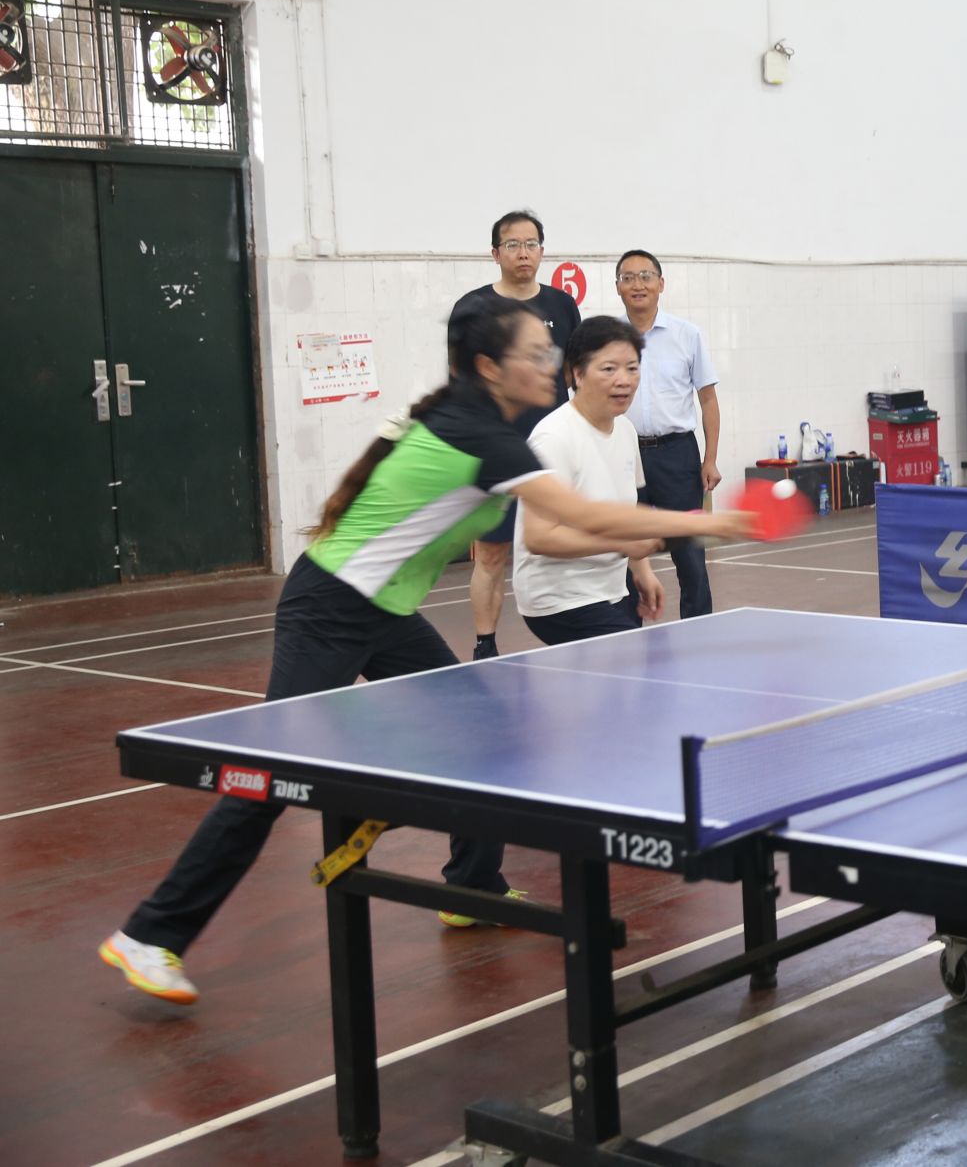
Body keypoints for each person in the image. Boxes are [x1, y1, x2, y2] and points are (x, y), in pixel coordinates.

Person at [98, 297, 755, 1004]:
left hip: (382, 610)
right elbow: (579, 515)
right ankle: (151, 933)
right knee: (266, 775)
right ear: (488, 366)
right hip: (330, 608)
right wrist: (708, 523)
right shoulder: (482, 433)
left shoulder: (477, 422)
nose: (547, 362)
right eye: (533, 353)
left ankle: (472, 886)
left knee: (486, 727)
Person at [450, 210, 581, 659]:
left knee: (563, 545)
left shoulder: (562, 306)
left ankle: (573, 634)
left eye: (531, 244)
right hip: (496, 454)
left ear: (542, 251)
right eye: (512, 245)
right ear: (495, 253)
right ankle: (485, 644)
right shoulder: (472, 308)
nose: (523, 253)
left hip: (553, 454)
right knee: (491, 554)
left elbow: (572, 377)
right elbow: (460, 384)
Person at [514, 316, 667, 644]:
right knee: (632, 664)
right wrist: (620, 545)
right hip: (558, 599)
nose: (624, 380)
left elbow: (625, 515)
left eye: (632, 368)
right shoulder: (553, 438)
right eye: (608, 369)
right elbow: (540, 538)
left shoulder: (625, 429)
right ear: (577, 374)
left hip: (611, 588)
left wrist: (642, 570)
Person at [617, 249, 722, 619]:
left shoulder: (687, 335)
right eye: (628, 277)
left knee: (689, 552)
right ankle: (625, 629)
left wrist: (710, 459)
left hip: (676, 454)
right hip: (622, 454)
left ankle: (698, 630)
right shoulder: (608, 338)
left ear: (661, 284)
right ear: (618, 287)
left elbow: (708, 400)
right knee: (624, 551)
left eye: (646, 276)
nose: (638, 284)